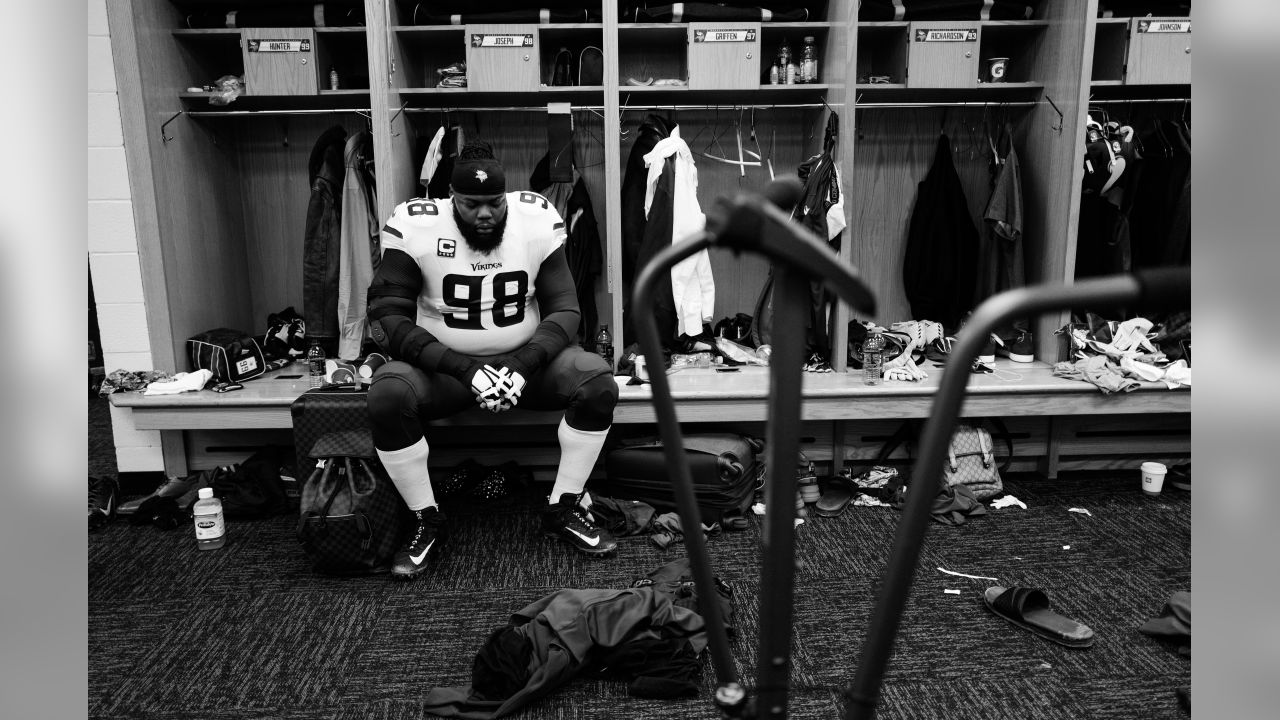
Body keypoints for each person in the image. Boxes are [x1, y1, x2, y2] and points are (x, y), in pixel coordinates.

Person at [365, 142, 619, 580]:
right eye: (471, 204)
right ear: (450, 198)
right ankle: (427, 518)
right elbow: (387, 317)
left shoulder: (534, 217)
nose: (485, 214)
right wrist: (465, 370)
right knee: (387, 394)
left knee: (597, 383)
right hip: (446, 370)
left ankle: (563, 507)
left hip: (527, 368)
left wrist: (522, 366)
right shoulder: (416, 224)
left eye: (494, 203)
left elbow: (566, 309)